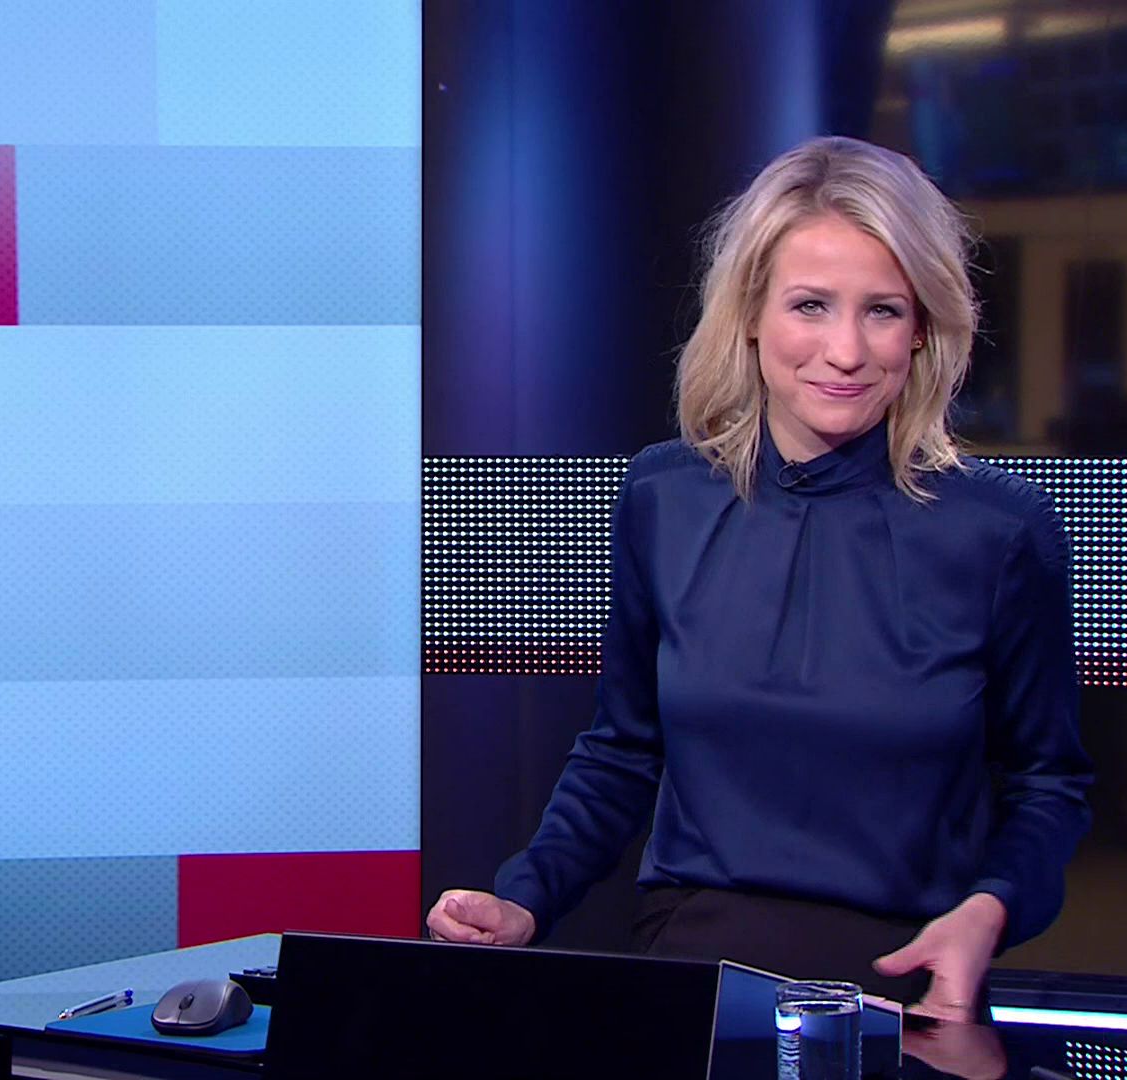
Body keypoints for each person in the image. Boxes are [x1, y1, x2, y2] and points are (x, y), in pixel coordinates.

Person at [426, 136, 1092, 1023]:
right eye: (811, 305)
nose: (846, 351)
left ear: (925, 327)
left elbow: (1050, 784)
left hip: (906, 985)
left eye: (883, 311)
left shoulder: (1000, 530)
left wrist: (991, 907)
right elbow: (623, 749)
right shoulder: (663, 496)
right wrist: (527, 897)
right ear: (749, 314)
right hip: (691, 967)